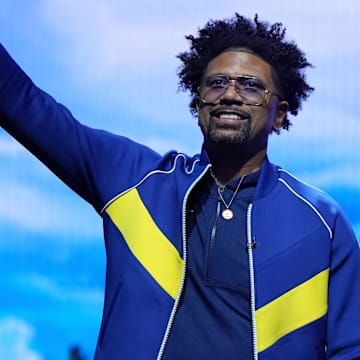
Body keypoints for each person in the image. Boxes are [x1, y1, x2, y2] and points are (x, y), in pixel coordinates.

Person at [0, 13, 359, 360]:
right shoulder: (131, 179)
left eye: (250, 86)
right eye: (216, 83)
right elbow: (24, 104)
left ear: (279, 113)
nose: (230, 94)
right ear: (196, 101)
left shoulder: (321, 222)